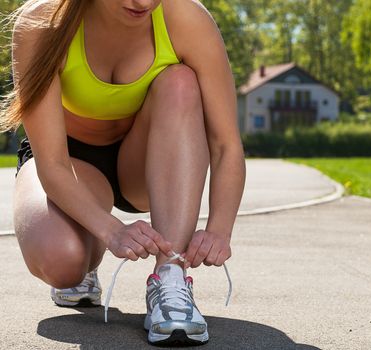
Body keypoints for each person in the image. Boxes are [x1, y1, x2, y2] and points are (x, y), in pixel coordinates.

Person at [0, 0, 246, 346]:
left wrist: (220, 229)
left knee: (180, 82)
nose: (143, 3)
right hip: (70, 163)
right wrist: (111, 231)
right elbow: (52, 164)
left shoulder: (186, 18)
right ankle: (86, 255)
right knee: (62, 260)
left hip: (145, 164)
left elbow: (226, 145)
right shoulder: (43, 21)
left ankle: (171, 278)